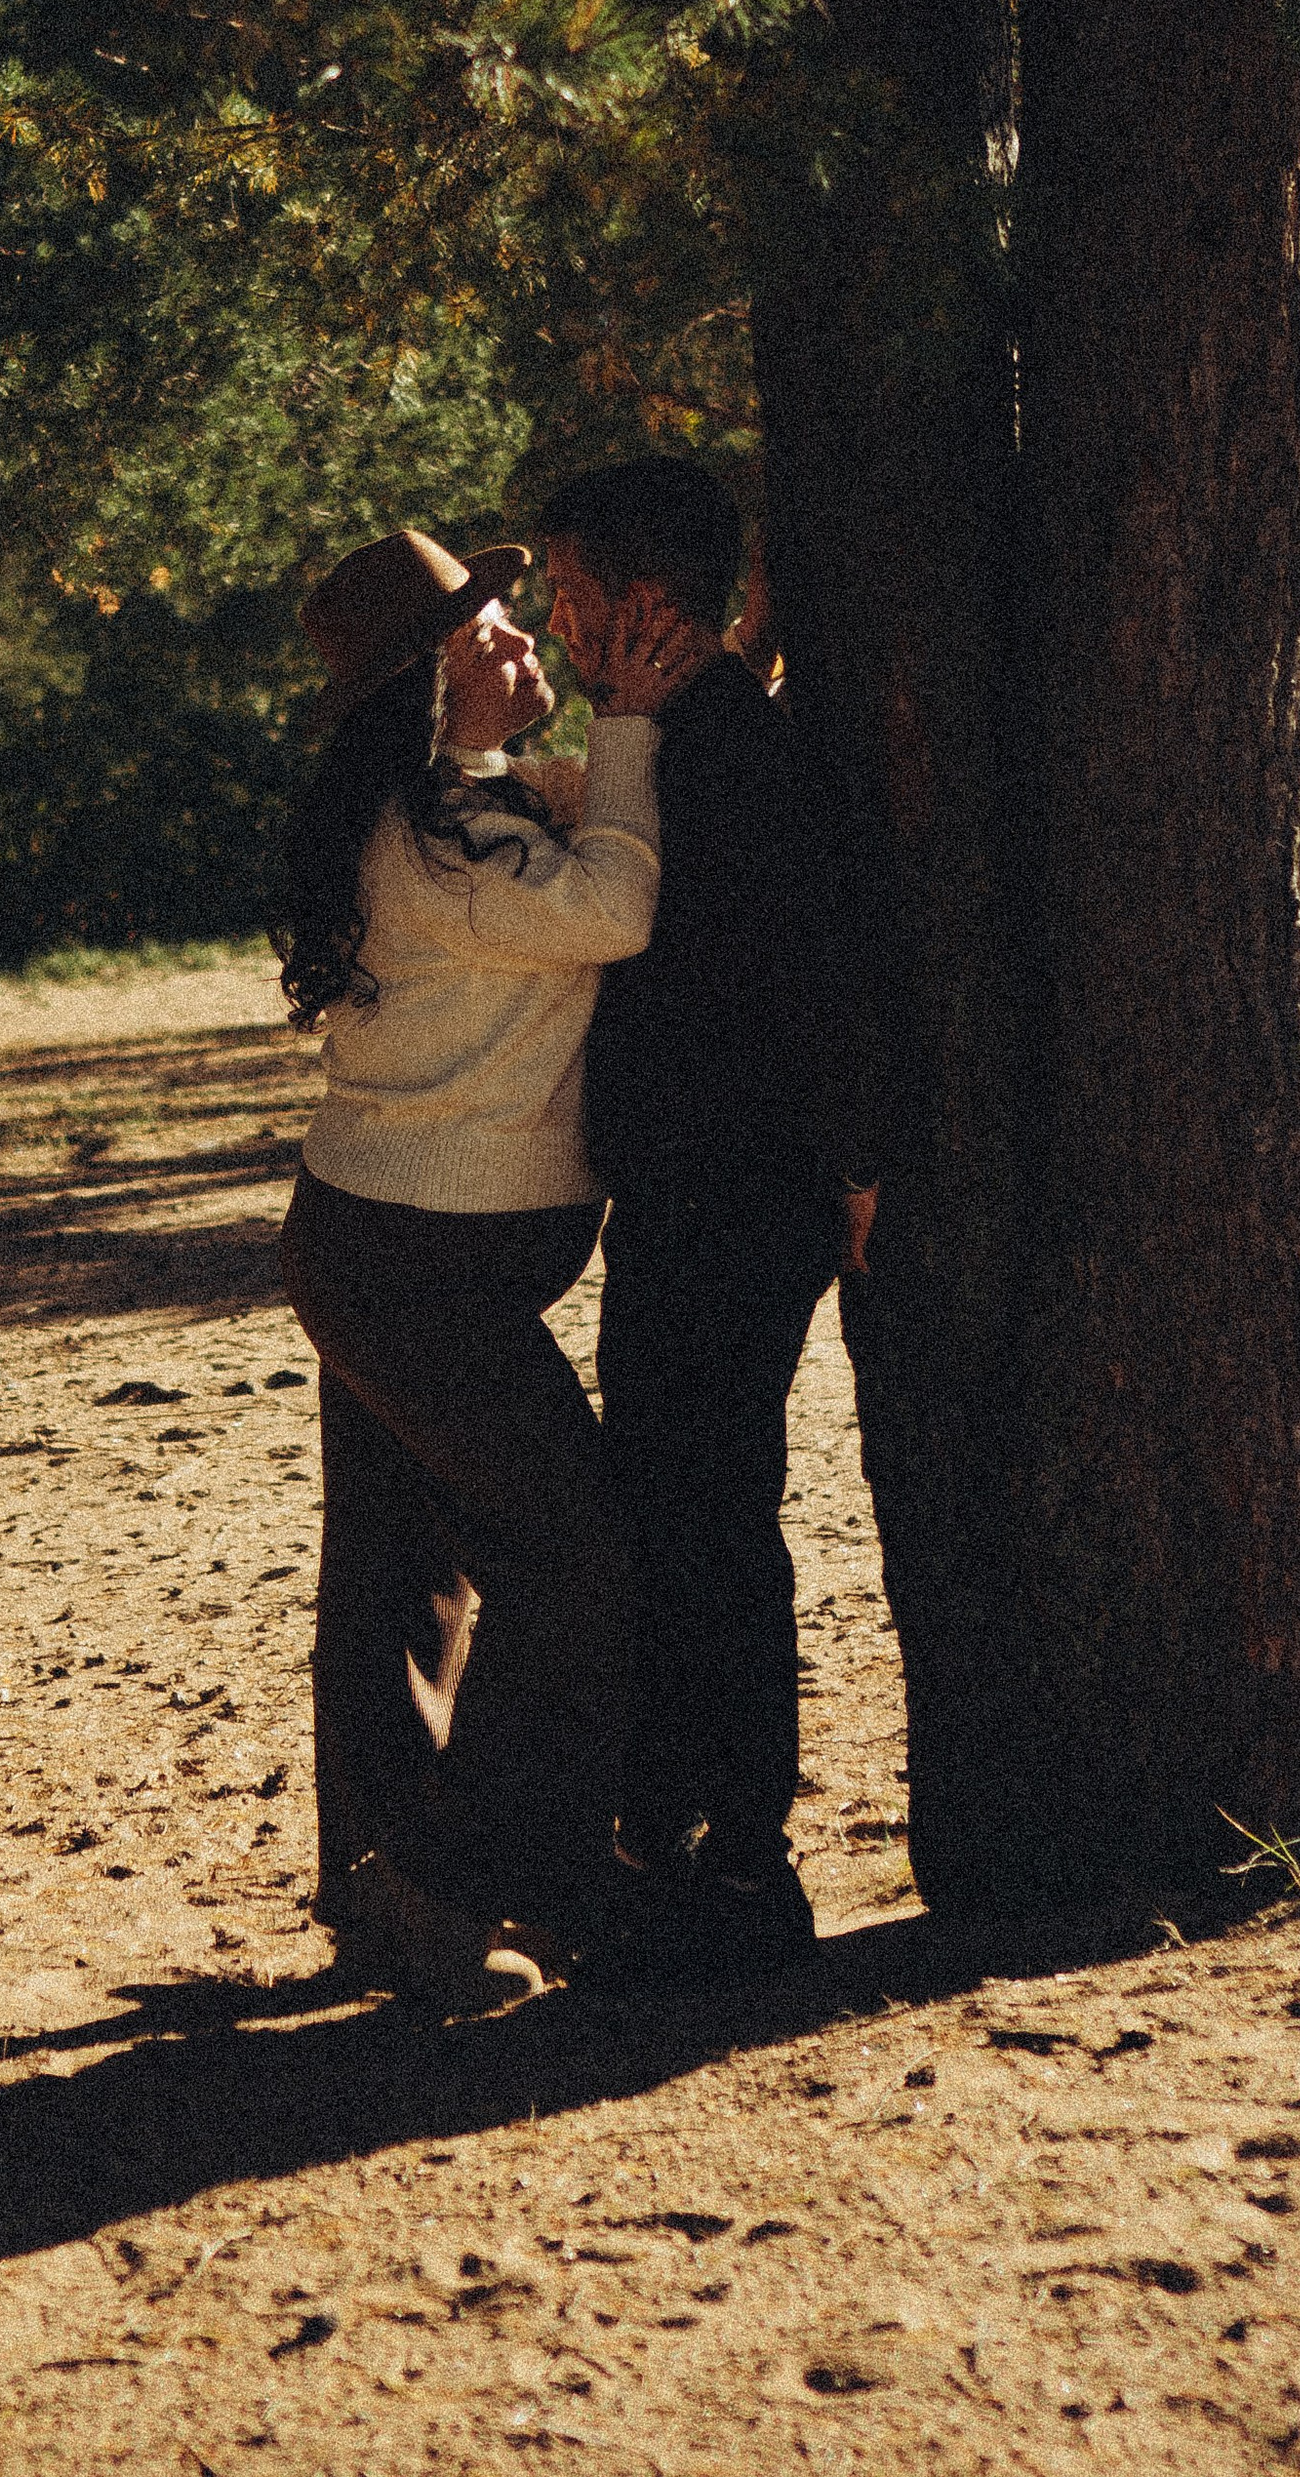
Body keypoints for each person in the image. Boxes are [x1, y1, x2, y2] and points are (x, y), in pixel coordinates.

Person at [273, 524, 689, 2008]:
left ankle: (398, 1885)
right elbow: (615, 908)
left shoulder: (446, 812)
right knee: (571, 1562)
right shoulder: (452, 844)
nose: (525, 645)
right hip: (411, 1272)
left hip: (378, 1249)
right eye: (491, 636)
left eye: (516, 618)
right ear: (425, 690)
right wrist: (636, 729)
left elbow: (552, 850)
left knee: (401, 1577)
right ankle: (467, 1876)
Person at [536, 457, 881, 1978]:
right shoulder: (666, 732)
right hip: (691, 1190)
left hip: (738, 1195)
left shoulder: (725, 749)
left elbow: (822, 964)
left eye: (567, 591)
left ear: (645, 603)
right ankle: (682, 1839)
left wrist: (855, 1163)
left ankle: (742, 1864)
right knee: (678, 1512)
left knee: (709, 1522)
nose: (550, 621)